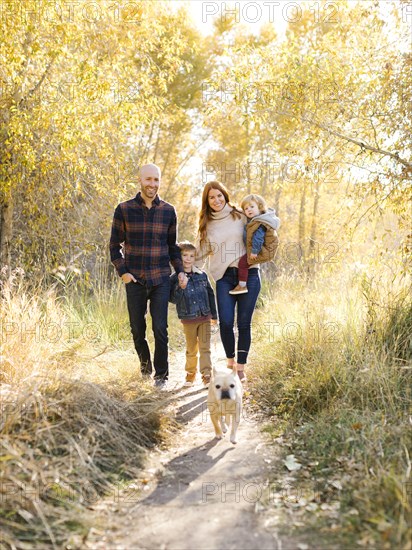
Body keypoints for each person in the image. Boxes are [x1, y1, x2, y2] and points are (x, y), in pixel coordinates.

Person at [109, 163, 187, 388]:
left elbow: (172, 247)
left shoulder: (168, 211)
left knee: (160, 328)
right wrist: (123, 272)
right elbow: (114, 246)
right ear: (140, 180)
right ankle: (145, 369)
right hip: (134, 279)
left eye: (156, 180)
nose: (152, 184)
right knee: (137, 329)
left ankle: (161, 376)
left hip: (161, 277)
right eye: (148, 179)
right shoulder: (123, 209)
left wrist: (180, 271)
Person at [195, 181, 261, 383]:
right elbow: (199, 254)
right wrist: (183, 267)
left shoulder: (240, 215)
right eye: (211, 197)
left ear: (225, 195)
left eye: (219, 195)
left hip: (248, 274)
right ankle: (230, 361)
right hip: (224, 278)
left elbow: (262, 227)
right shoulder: (207, 225)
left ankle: (241, 367)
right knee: (225, 322)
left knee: (243, 323)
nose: (217, 200)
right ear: (207, 201)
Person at [170, 241, 218, 388]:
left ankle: (206, 375)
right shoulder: (174, 278)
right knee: (191, 348)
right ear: (179, 257)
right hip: (188, 319)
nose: (188, 258)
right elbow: (172, 299)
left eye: (191, 255)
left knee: (205, 347)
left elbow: (210, 294)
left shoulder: (202, 275)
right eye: (185, 255)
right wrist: (180, 286)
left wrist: (214, 315)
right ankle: (190, 374)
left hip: (204, 317)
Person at [229, 194, 280, 295]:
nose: (249, 210)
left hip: (260, 250)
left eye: (252, 207)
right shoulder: (255, 221)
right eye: (246, 208)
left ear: (260, 207)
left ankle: (242, 286)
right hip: (259, 249)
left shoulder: (261, 222)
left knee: (243, 263)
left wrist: (254, 251)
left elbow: (258, 238)